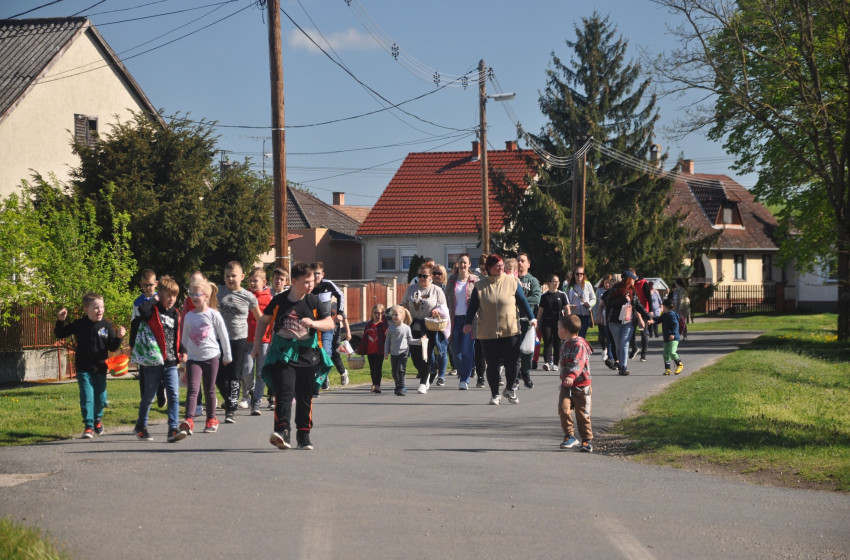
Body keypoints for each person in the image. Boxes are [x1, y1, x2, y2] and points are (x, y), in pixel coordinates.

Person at [253, 262, 335, 451]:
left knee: (305, 397)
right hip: (284, 356)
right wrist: (257, 344)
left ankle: (304, 435)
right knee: (284, 393)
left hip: (308, 355)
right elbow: (264, 321)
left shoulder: (314, 301)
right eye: (306, 282)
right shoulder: (280, 300)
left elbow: (329, 323)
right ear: (294, 281)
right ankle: (282, 432)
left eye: (312, 281)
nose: (310, 285)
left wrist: (314, 324)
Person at [463, 254, 537, 405]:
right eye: (497, 265)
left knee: (513, 362)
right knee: (493, 364)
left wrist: (532, 318)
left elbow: (522, 302)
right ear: (489, 268)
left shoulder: (512, 282)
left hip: (510, 329)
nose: (501, 267)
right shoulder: (480, 286)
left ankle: (510, 389)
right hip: (488, 332)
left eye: (502, 265)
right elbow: (472, 307)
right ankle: (495, 394)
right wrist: (467, 323)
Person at [54, 293, 126, 439]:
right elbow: (60, 334)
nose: (100, 310)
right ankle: (88, 426)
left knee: (101, 398)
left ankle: (97, 419)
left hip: (100, 368)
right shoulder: (79, 324)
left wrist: (119, 337)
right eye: (96, 308)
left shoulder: (106, 326)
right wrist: (60, 320)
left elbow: (112, 347)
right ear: (86, 309)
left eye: (102, 307)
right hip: (83, 368)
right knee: (87, 397)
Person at [132, 276, 185, 442]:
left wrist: (182, 351)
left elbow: (178, 336)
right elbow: (141, 310)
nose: (171, 299)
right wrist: (154, 299)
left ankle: (173, 428)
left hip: (170, 362)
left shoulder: (176, 314)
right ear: (159, 295)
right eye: (168, 295)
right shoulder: (153, 311)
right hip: (153, 362)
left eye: (174, 296)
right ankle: (141, 426)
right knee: (148, 396)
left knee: (174, 395)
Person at [179, 278, 232, 435]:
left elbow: (223, 336)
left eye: (198, 294)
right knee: (193, 388)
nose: (194, 297)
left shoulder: (213, 314)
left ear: (207, 296)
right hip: (194, 359)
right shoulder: (189, 316)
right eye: (191, 294)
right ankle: (188, 420)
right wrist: (184, 354)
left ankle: (211, 419)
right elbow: (184, 338)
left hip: (211, 357)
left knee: (209, 389)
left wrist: (227, 355)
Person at [217, 261, 261, 424]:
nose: (230, 279)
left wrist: (259, 340)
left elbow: (260, 318)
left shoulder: (248, 296)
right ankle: (230, 400)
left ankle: (231, 410)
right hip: (220, 340)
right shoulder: (218, 292)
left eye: (234, 276)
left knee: (234, 375)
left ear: (242, 277)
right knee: (219, 378)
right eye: (227, 276)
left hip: (239, 340)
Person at [402, 262, 449, 394]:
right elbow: (404, 303)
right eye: (420, 276)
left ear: (431, 277)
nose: (422, 278)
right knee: (416, 358)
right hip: (414, 326)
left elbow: (444, 309)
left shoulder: (437, 291)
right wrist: (404, 309)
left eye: (425, 276)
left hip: (430, 327)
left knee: (426, 354)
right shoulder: (411, 289)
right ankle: (426, 374)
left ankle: (423, 382)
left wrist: (437, 312)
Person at [605, 271, 653, 376]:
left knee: (624, 343)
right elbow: (609, 303)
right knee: (618, 345)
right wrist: (622, 300)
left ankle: (624, 367)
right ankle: (621, 365)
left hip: (629, 322)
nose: (634, 281)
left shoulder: (633, 291)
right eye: (633, 279)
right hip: (615, 322)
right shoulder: (615, 289)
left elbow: (638, 305)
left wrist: (648, 317)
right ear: (628, 279)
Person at [557, 315, 594, 452]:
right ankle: (569, 435)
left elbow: (579, 362)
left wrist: (571, 376)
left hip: (581, 385)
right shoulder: (565, 344)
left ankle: (586, 440)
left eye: (558, 328)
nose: (557, 330)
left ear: (565, 330)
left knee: (582, 413)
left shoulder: (579, 345)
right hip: (566, 386)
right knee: (563, 409)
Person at [130, 269, 165, 407]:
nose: (148, 288)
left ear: (156, 283)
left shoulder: (160, 299)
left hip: (157, 339)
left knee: (159, 367)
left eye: (150, 285)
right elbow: (134, 323)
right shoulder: (138, 302)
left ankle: (161, 394)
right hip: (143, 340)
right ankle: (145, 398)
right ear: (141, 285)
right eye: (145, 285)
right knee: (143, 369)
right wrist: (132, 344)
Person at [445, 254, 480, 390]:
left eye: (465, 262)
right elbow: (446, 299)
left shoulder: (475, 281)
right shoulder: (452, 280)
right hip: (454, 319)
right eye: (461, 262)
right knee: (455, 352)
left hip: (470, 320)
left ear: (469, 264)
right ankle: (466, 369)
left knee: (467, 350)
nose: (463, 265)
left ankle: (464, 380)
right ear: (458, 264)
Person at [311, 262, 349, 386]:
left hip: (327, 325)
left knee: (327, 352)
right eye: (313, 273)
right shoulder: (308, 287)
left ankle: (323, 377)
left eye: (318, 273)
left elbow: (340, 295)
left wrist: (340, 312)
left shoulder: (327, 284)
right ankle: (323, 377)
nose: (316, 276)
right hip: (312, 326)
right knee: (315, 354)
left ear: (322, 274)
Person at [244, 267, 272, 415]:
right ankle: (252, 390)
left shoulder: (269, 298)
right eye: (250, 281)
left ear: (264, 282)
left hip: (264, 340)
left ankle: (257, 402)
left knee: (261, 373)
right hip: (248, 340)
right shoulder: (246, 295)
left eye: (255, 281)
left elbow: (272, 320)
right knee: (247, 370)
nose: (252, 284)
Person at [516, 253, 541, 388]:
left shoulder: (532, 281)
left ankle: (525, 372)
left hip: (526, 319)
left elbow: (536, 298)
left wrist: (520, 301)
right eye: (518, 260)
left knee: (527, 349)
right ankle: (514, 375)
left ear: (528, 264)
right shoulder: (510, 279)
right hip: (512, 319)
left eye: (523, 261)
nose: (520, 263)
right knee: (513, 349)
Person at [384, 305, 418, 396]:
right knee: (394, 372)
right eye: (392, 315)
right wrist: (386, 351)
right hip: (394, 353)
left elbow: (410, 340)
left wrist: (419, 341)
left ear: (402, 315)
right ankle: (397, 385)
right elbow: (387, 341)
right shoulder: (390, 328)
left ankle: (402, 387)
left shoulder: (406, 328)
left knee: (401, 369)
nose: (394, 317)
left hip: (403, 352)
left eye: (396, 314)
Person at [537, 274, 568, 371]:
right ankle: (546, 362)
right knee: (547, 341)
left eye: (558, 281)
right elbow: (540, 310)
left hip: (558, 322)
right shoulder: (544, 296)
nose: (556, 283)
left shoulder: (562, 295)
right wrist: (537, 323)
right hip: (547, 322)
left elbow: (567, 309)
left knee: (557, 342)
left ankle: (555, 363)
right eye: (554, 281)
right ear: (549, 283)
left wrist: (568, 321)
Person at [357, 304, 389, 393]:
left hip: (379, 350)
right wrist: (361, 349)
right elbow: (364, 338)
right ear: (372, 313)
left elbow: (387, 333)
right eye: (376, 313)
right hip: (370, 351)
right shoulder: (369, 325)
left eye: (380, 313)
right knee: (372, 368)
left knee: (378, 368)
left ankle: (377, 385)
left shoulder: (383, 325)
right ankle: (374, 384)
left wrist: (384, 321)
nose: (378, 315)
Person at [430, 264, 450, 385]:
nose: (437, 276)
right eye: (435, 273)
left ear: (444, 275)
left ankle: (441, 375)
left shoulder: (447, 289)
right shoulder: (429, 288)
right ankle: (433, 369)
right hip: (430, 321)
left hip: (443, 322)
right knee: (430, 349)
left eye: (439, 273)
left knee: (442, 348)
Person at [564, 265, 596, 339]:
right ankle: (574, 350)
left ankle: (580, 350)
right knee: (574, 336)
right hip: (574, 315)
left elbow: (593, 298)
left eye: (581, 274)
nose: (579, 276)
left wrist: (589, 304)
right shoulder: (570, 286)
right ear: (574, 275)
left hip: (585, 314)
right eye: (577, 274)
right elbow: (566, 300)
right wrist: (570, 305)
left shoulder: (588, 284)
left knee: (581, 336)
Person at [660, 298, 685, 375]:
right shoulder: (665, 315)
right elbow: (658, 320)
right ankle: (667, 369)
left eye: (662, 306)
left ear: (665, 307)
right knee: (666, 354)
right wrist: (651, 320)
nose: (661, 308)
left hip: (674, 338)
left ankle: (679, 365)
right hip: (667, 337)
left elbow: (675, 325)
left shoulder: (672, 315)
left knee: (672, 352)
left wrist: (673, 334)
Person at [594, 274, 613, 365]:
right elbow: (596, 304)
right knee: (601, 336)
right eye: (606, 283)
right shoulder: (599, 291)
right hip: (601, 316)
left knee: (609, 336)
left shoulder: (613, 291)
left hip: (609, 317)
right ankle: (604, 348)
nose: (608, 285)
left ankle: (610, 355)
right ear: (603, 283)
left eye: (609, 283)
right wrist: (596, 317)